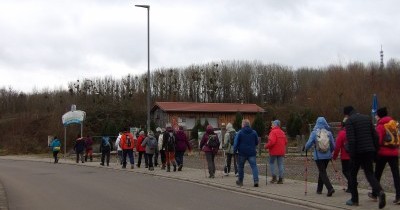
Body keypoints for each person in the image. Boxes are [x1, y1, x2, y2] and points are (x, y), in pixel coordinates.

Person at [343, 106, 386, 208]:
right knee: (370, 174)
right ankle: (380, 192)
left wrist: (352, 156)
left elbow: (351, 140)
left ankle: (354, 200)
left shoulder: (349, 121)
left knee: (352, 175)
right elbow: (375, 136)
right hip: (369, 150)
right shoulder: (367, 118)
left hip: (357, 152)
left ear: (347, 114)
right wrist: (375, 151)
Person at [369, 107, 400, 204]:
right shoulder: (393, 124)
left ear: (379, 115)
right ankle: (398, 196)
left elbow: (378, 140)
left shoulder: (380, 125)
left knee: (377, 174)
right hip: (394, 152)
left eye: (377, 115)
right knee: (396, 175)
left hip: (383, 153)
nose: (376, 117)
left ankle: (375, 194)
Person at [304, 117, 335, 197]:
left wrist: (305, 148)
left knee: (322, 172)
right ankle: (319, 189)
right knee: (322, 171)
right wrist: (330, 152)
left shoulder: (314, 133)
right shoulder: (329, 133)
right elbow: (333, 145)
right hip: (327, 156)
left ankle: (330, 188)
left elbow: (309, 143)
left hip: (319, 156)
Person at [233, 119, 259, 187]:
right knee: (254, 167)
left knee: (241, 167)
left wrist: (234, 150)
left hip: (242, 153)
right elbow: (257, 142)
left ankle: (240, 181)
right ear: (249, 124)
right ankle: (256, 180)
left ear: (243, 125)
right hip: (252, 152)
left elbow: (236, 143)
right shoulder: (254, 132)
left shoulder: (239, 132)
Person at [332, 117, 351, 193]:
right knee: (351, 171)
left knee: (346, 171)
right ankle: (350, 187)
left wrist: (334, 157)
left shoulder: (342, 133)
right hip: (354, 155)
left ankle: (353, 183)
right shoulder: (354, 132)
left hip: (345, 156)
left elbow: (337, 146)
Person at [265, 120, 287, 184]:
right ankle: (281, 179)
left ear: (275, 125)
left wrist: (266, 146)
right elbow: (286, 142)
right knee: (280, 164)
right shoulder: (282, 132)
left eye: (272, 124)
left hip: (274, 151)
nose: (271, 126)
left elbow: (272, 142)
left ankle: (274, 177)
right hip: (281, 151)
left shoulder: (273, 132)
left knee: (271, 163)